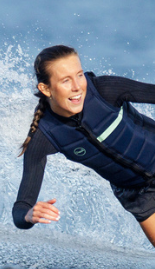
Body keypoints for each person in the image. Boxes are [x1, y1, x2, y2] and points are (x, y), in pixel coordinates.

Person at [13, 44, 155, 246]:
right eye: (65, 80)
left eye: (79, 75)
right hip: (139, 197)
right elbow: (20, 209)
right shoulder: (45, 137)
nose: (77, 86)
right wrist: (29, 214)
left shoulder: (104, 90)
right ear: (46, 89)